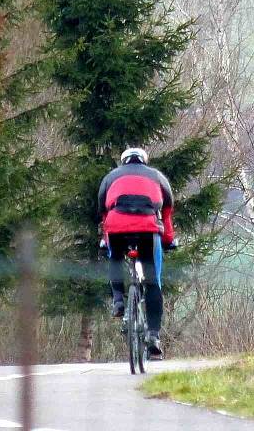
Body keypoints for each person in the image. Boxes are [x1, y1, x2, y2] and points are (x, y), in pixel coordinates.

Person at [98, 147, 176, 358]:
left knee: (114, 257)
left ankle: (118, 301)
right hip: (148, 229)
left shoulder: (110, 177)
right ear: (144, 160)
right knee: (153, 281)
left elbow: (104, 212)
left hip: (116, 227)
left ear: (123, 161)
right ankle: (153, 335)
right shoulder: (158, 177)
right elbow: (166, 213)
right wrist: (169, 240)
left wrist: (105, 241)